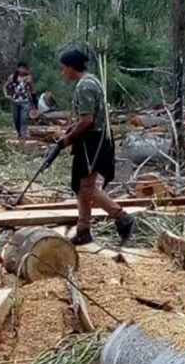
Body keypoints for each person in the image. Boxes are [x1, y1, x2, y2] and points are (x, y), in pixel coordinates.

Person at [56, 49, 136, 246]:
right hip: (93, 140)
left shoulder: (85, 86)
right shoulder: (91, 81)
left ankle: (121, 217)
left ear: (71, 67)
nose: (62, 72)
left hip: (93, 142)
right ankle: (83, 230)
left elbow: (88, 120)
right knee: (82, 186)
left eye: (63, 68)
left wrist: (70, 138)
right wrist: (71, 130)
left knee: (86, 188)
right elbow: (86, 118)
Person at [4, 63, 35, 142]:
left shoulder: (28, 78)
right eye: (21, 68)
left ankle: (23, 136)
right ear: (18, 69)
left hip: (25, 101)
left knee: (24, 119)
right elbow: (5, 86)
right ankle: (19, 133)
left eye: (24, 68)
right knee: (16, 119)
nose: (22, 70)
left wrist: (34, 102)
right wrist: (6, 95)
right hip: (15, 101)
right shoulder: (12, 77)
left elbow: (32, 90)